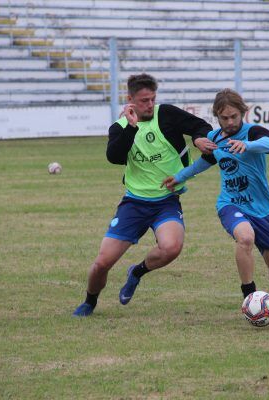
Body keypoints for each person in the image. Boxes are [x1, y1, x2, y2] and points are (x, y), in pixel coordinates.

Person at [73, 73, 216, 317]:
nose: (149, 105)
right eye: (143, 101)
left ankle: (137, 272)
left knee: (172, 248)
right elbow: (114, 157)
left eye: (152, 99)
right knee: (102, 263)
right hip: (134, 204)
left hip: (166, 201)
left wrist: (199, 138)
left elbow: (200, 125)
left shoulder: (167, 114)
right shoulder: (119, 127)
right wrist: (131, 127)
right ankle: (89, 301)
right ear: (130, 100)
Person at [162, 89, 269, 317]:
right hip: (230, 203)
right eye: (224, 118)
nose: (230, 122)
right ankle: (250, 298)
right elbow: (203, 163)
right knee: (245, 238)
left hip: (262, 208)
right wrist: (180, 177)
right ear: (217, 116)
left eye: (234, 116)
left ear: (243, 112)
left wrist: (248, 145)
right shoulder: (215, 138)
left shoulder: (252, 132)